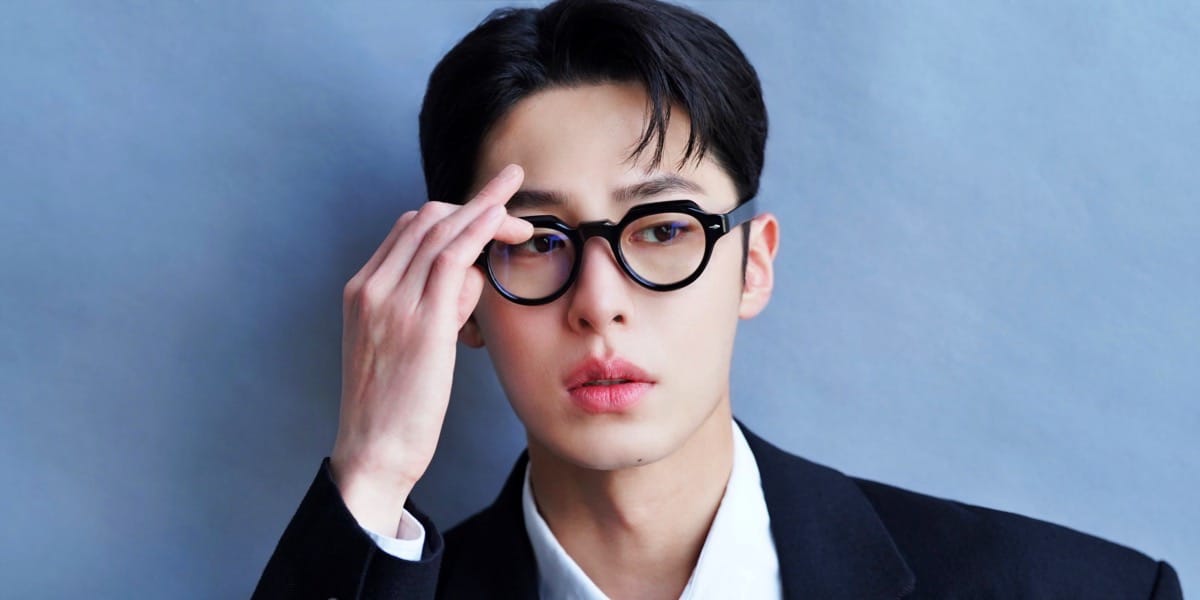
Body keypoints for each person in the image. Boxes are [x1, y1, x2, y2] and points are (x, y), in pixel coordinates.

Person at [253, 1, 1183, 598]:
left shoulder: (1079, 590)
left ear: (754, 266)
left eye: (662, 229)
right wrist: (370, 472)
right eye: (538, 241)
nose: (599, 304)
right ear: (461, 298)